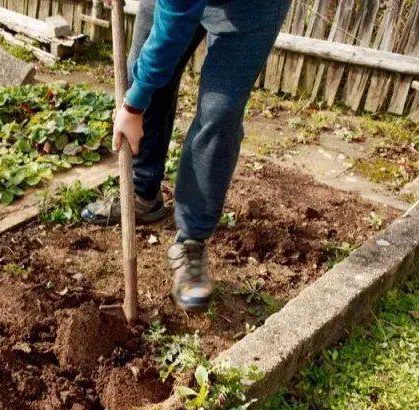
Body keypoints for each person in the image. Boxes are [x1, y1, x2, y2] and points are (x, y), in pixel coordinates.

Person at [82, 0, 290, 312]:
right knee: (141, 71)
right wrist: (139, 94)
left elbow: (176, 20)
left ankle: (191, 240)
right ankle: (143, 193)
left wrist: (134, 105)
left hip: (253, 8)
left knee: (219, 113)